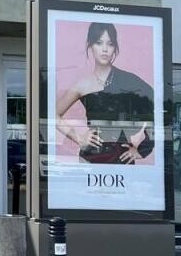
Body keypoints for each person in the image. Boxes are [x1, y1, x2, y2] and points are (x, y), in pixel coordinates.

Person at [55, 22, 154, 164]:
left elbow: (158, 108)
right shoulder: (83, 84)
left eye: (110, 43)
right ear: (90, 46)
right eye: (99, 43)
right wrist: (79, 138)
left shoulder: (130, 81)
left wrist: (143, 149)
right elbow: (52, 114)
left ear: (115, 48)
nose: (105, 49)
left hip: (121, 158)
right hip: (91, 157)